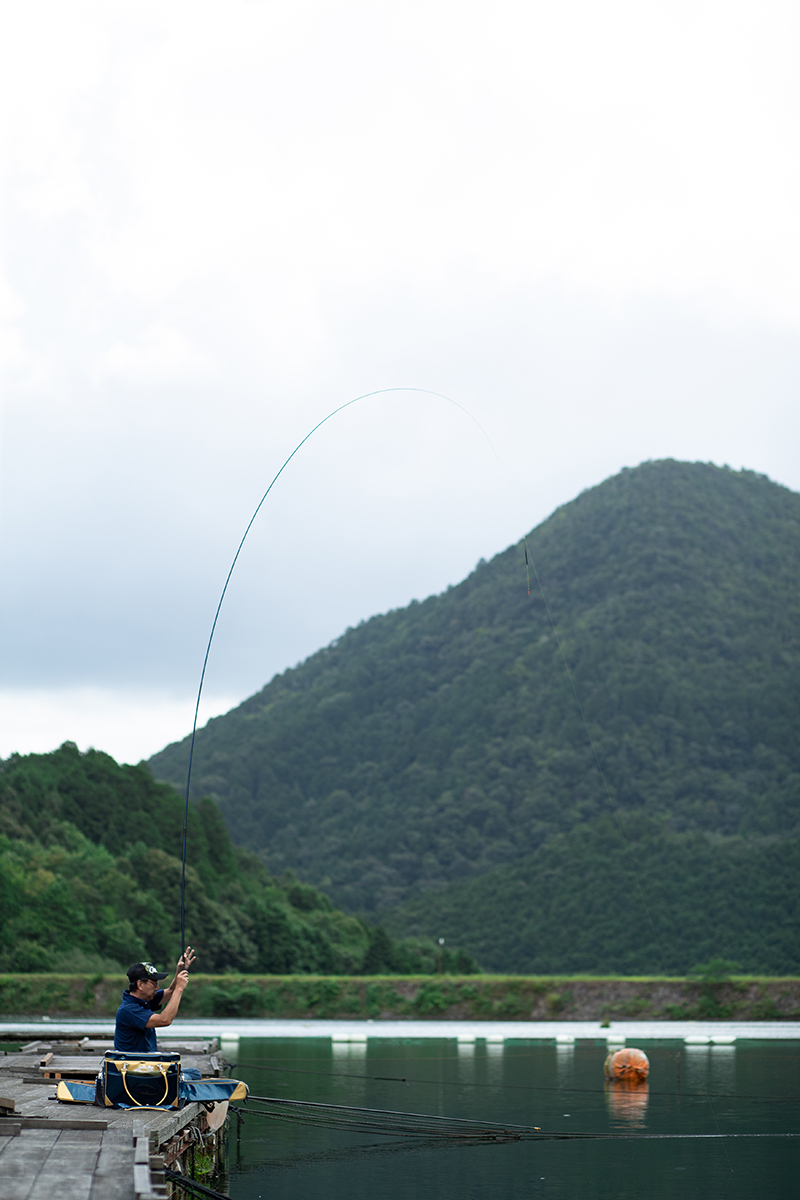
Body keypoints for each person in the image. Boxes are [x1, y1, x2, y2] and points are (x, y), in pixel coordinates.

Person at [114, 946, 196, 1053]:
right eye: (154, 984)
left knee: (192, 1070)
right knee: (193, 1071)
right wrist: (180, 989)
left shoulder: (143, 1001)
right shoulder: (129, 1010)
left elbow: (170, 991)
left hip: (145, 1064)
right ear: (140, 985)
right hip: (135, 1066)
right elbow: (165, 1020)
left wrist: (179, 971)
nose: (157, 988)